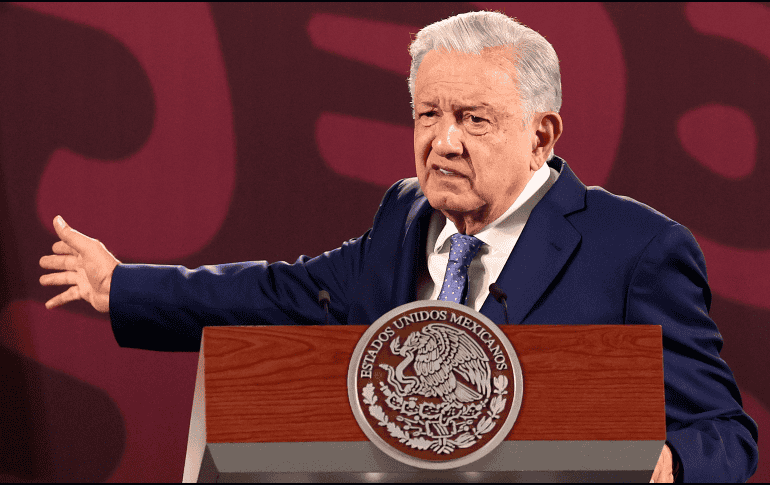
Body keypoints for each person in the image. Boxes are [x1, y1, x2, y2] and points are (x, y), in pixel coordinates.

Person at [38, 11, 757, 483]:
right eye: (427, 113)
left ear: (542, 135)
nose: (442, 142)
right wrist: (121, 285)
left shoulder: (640, 248)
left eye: (473, 118)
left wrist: (668, 464)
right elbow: (281, 294)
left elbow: (725, 431)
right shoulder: (403, 216)